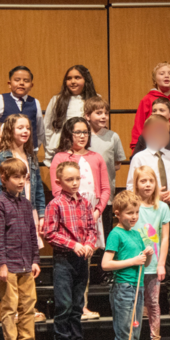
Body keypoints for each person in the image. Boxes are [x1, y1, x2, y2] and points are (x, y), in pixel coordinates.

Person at [51, 116, 109, 321]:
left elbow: (105, 189)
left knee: (87, 257)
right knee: (74, 260)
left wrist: (97, 211)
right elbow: (57, 189)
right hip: (68, 217)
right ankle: (76, 305)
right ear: (69, 134)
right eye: (77, 132)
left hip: (92, 214)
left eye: (85, 132)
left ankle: (83, 305)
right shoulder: (61, 157)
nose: (82, 136)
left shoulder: (96, 157)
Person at [127, 115, 170, 317]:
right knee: (148, 253)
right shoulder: (140, 158)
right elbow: (129, 186)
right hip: (147, 211)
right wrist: (153, 194)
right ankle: (145, 302)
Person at [0, 158, 46, 340]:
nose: (21, 181)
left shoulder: (26, 203)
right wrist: (2, 264)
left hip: (26, 264)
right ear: (4, 179)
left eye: (23, 177)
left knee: (28, 304)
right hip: (9, 265)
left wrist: (35, 260)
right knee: (10, 306)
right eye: (16, 177)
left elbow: (32, 234)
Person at [42, 160, 98, 340]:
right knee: (64, 304)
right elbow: (49, 233)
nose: (74, 183)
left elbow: (92, 229)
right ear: (59, 181)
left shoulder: (85, 203)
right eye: (69, 179)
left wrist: (90, 244)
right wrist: (73, 244)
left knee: (77, 304)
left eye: (77, 178)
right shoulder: (55, 204)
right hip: (64, 260)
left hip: (82, 260)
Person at [102, 190, 153, 340]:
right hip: (123, 288)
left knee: (134, 336)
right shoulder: (116, 234)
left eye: (136, 212)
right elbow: (106, 264)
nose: (134, 216)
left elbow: (143, 263)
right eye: (129, 213)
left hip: (137, 286)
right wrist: (133, 260)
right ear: (117, 213)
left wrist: (147, 255)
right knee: (124, 336)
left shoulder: (136, 234)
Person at [130, 165, 170, 340]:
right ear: (136, 184)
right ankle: (132, 339)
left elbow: (164, 238)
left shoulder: (162, 207)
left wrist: (161, 263)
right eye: (143, 181)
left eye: (151, 181)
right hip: (133, 266)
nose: (147, 185)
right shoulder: (132, 207)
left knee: (153, 303)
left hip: (153, 266)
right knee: (135, 303)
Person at [0, 113, 46, 222]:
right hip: (12, 214)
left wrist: (41, 215)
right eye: (20, 128)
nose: (25, 131)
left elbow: (38, 188)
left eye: (28, 128)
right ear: (10, 131)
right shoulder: (1, 159)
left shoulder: (31, 157)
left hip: (31, 211)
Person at [0, 65, 42, 153]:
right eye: (17, 80)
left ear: (31, 85)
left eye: (26, 81)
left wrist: (35, 149)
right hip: (5, 153)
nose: (21, 83)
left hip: (29, 154)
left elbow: (39, 131)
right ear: (9, 84)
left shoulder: (35, 102)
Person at [86, 95, 126, 236]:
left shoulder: (113, 136)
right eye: (98, 113)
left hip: (106, 195)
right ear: (87, 116)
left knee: (106, 231)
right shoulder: (82, 137)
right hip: (86, 195)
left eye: (106, 113)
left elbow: (116, 164)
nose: (103, 116)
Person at [44, 65, 98, 166]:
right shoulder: (57, 100)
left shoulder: (95, 99)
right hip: (63, 146)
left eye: (77, 78)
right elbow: (47, 128)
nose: (73, 81)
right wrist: (49, 152)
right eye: (69, 78)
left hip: (88, 146)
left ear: (86, 80)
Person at [130, 61, 170, 147]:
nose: (166, 76)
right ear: (154, 79)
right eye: (162, 73)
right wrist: (136, 149)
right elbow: (138, 127)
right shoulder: (147, 100)